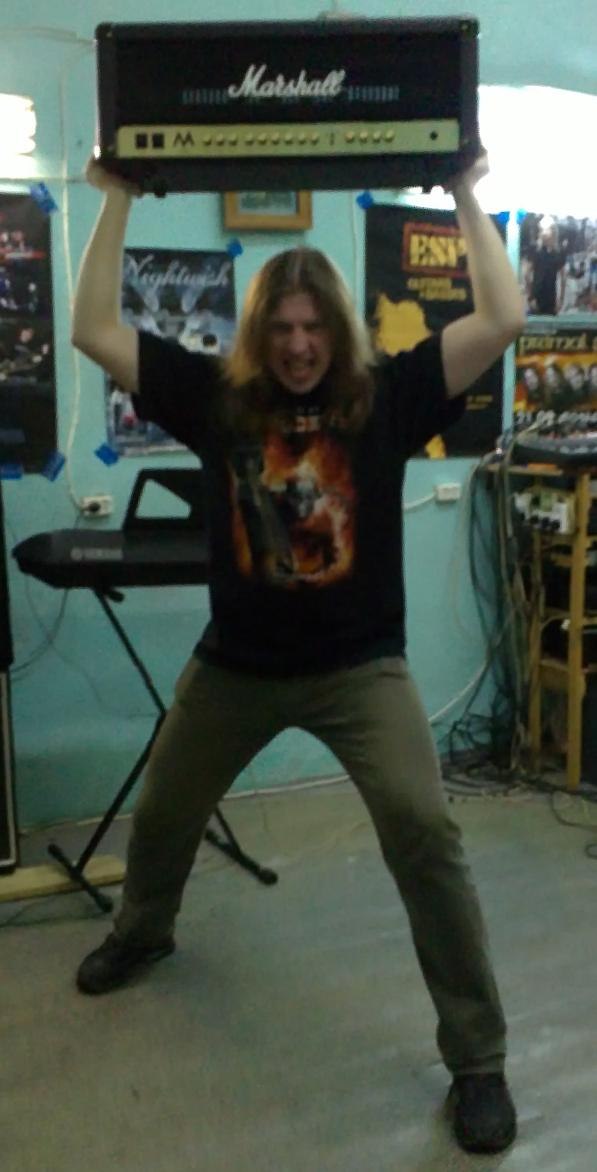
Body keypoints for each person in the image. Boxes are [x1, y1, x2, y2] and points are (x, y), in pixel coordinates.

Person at [71, 151, 525, 1156]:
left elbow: (501, 317)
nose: (299, 344)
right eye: (280, 328)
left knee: (425, 829)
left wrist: (463, 190)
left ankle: (478, 1056)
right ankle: (144, 929)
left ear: (339, 329)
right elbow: (93, 327)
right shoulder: (219, 397)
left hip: (361, 669)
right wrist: (115, 199)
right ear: (258, 333)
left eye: (315, 326)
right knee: (163, 811)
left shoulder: (387, 396)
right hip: (237, 664)